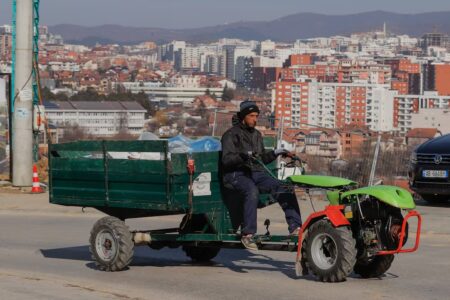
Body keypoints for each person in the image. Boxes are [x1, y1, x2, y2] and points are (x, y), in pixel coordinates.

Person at [221, 100, 302, 250]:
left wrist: (276, 153)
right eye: (251, 115)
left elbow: (261, 158)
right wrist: (243, 156)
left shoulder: (257, 135)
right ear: (243, 116)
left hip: (254, 172)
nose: (255, 119)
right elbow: (226, 160)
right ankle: (248, 234)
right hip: (235, 174)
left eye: (256, 116)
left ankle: (296, 227)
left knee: (284, 186)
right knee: (251, 190)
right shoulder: (230, 135)